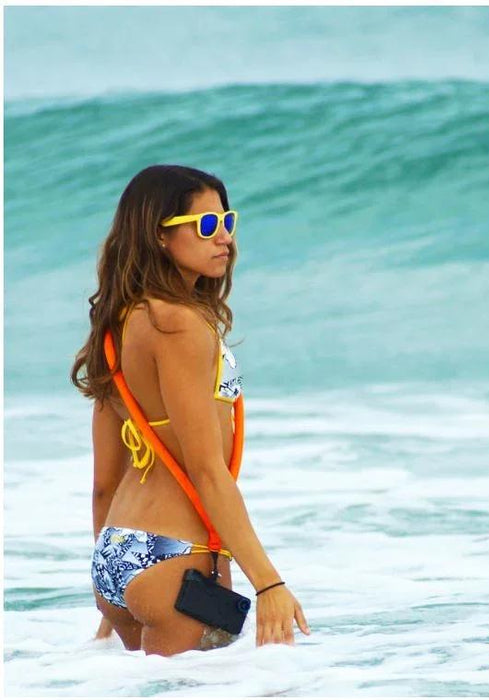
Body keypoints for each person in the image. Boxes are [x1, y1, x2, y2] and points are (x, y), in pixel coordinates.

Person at [71, 164, 310, 656]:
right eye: (205, 225)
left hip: (116, 553)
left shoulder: (117, 325)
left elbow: (103, 484)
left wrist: (111, 594)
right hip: (176, 555)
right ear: (159, 235)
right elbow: (206, 470)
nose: (224, 237)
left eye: (227, 221)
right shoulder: (178, 324)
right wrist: (268, 583)